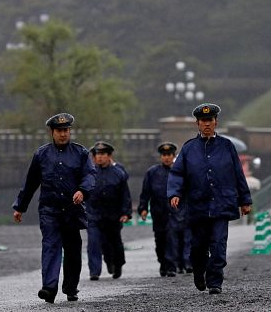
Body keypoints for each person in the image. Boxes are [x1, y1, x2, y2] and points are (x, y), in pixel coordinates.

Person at [167, 103, 252, 295]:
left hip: (222, 203)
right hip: (198, 205)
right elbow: (177, 174)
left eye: (210, 121)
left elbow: (238, 173)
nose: (207, 124)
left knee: (219, 244)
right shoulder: (188, 149)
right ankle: (199, 270)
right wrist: (175, 193)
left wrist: (245, 200)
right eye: (203, 121)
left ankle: (215, 281)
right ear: (197, 123)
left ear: (216, 122)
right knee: (198, 246)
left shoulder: (226, 146)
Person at [12, 113, 96, 304]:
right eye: (59, 131)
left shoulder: (81, 154)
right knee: (50, 246)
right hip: (50, 210)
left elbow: (90, 175)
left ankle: (70, 287)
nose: (63, 134)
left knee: (73, 251)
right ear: (52, 132)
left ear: (70, 131)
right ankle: (49, 288)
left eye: (66, 130)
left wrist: (82, 191)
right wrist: (20, 207)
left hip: (72, 210)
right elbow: (30, 183)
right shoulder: (41, 155)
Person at [139, 141, 188, 277]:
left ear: (173, 156)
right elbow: (146, 192)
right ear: (160, 156)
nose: (166, 157)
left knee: (174, 238)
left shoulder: (180, 171)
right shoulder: (152, 172)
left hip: (176, 212)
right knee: (160, 240)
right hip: (158, 212)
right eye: (164, 155)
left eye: (169, 155)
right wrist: (143, 208)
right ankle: (163, 263)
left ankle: (173, 265)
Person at [86, 141, 131, 280]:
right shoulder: (88, 173)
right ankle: (94, 271)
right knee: (93, 242)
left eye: (103, 154)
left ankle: (116, 264)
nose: (99, 157)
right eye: (97, 154)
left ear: (109, 156)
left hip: (113, 215)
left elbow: (125, 195)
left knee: (114, 243)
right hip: (94, 214)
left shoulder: (118, 173)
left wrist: (125, 213)